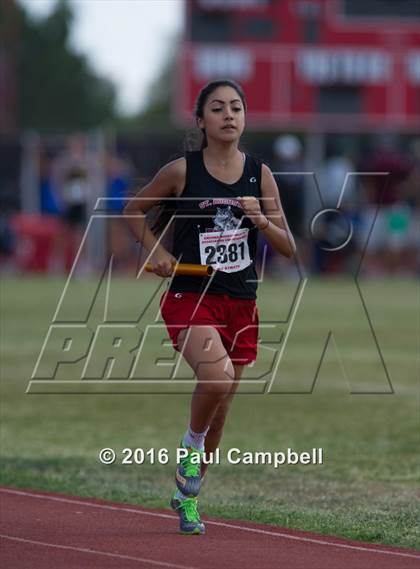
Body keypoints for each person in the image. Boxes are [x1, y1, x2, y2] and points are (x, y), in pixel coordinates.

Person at [124, 79, 296, 535]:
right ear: (201, 121)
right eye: (217, 108)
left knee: (220, 414)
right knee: (215, 378)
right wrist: (155, 252)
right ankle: (190, 443)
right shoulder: (182, 171)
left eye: (236, 107)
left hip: (241, 304)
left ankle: (187, 498)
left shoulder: (261, 174)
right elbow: (132, 209)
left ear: (244, 117)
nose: (228, 115)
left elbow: (288, 247)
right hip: (190, 296)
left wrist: (260, 218)